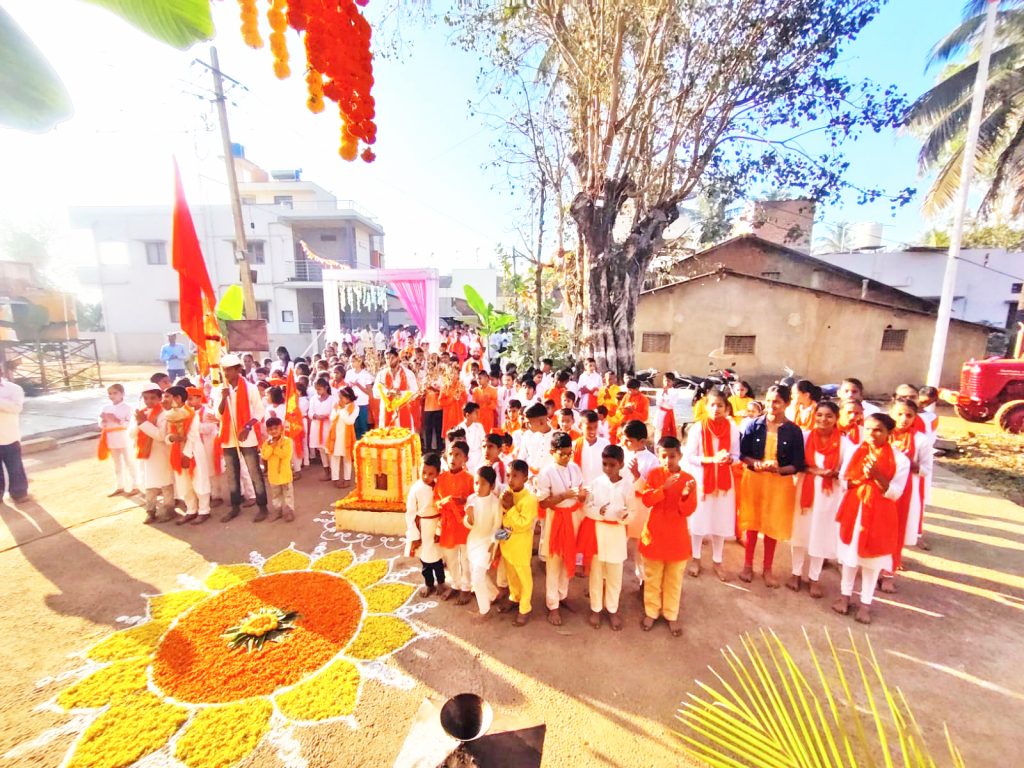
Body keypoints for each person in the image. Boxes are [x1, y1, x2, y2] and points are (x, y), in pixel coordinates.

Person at [833, 413, 910, 624]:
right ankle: (844, 596)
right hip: (854, 508)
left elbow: (895, 493)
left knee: (872, 562)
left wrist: (877, 475)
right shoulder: (854, 452)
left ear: (889, 433)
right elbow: (843, 481)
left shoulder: (900, 460)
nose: (872, 434)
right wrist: (859, 479)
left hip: (880, 515)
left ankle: (866, 603)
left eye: (878, 430)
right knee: (850, 558)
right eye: (868, 429)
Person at [738, 384, 805, 587]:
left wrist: (779, 469)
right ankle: (747, 565)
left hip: (779, 484)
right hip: (754, 480)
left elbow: (798, 463)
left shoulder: (794, 431)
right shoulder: (753, 425)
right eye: (768, 401)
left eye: (776, 401)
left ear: (786, 403)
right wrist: (754, 463)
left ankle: (768, 569)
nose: (771, 405)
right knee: (752, 523)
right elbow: (742, 454)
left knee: (771, 526)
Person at [788, 401, 853, 597]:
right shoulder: (805, 437)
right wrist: (815, 470)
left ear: (836, 418)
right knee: (800, 533)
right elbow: (796, 463)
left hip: (828, 495)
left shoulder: (844, 443)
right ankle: (796, 573)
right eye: (819, 415)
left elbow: (848, 472)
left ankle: (814, 578)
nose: (823, 420)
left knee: (820, 536)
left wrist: (833, 474)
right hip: (804, 490)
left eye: (829, 416)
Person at [638, 436, 697, 636]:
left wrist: (686, 495)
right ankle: (651, 612)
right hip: (654, 534)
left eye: (672, 456)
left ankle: (671, 614)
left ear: (680, 456)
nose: (668, 460)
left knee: (674, 579)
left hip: (677, 537)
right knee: (653, 577)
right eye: (664, 456)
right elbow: (646, 500)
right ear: (658, 455)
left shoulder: (689, 479)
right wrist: (663, 489)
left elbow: (688, 510)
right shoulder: (654, 475)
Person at [578, 444, 634, 630]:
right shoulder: (596, 483)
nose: (608, 468)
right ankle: (595, 608)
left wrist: (625, 516)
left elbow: (633, 511)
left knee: (614, 576)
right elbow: (587, 507)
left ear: (621, 464)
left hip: (617, 535)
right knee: (596, 574)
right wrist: (598, 512)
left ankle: (612, 609)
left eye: (612, 465)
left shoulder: (627, 486)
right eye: (605, 464)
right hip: (598, 533)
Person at [684, 389, 739, 581]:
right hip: (702, 480)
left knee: (720, 521)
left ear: (726, 408)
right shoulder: (698, 428)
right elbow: (690, 457)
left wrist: (730, 460)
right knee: (699, 520)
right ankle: (696, 558)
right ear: (706, 407)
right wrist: (711, 459)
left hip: (724, 482)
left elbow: (737, 455)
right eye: (713, 405)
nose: (716, 409)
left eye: (720, 405)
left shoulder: (732, 428)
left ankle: (717, 561)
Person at [534, 431, 587, 626]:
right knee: (554, 562)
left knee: (568, 558)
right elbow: (543, 503)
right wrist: (564, 496)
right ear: (552, 452)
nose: (566, 457)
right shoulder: (546, 473)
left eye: (569, 453)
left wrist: (581, 495)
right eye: (562, 454)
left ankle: (562, 595)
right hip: (555, 519)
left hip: (572, 517)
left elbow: (581, 491)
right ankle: (552, 605)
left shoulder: (574, 468)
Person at [882, 397, 933, 591]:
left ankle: (888, 573)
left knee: (897, 531)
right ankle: (872, 569)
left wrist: (911, 464)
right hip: (881, 488)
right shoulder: (882, 434)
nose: (903, 419)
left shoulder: (920, 440)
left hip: (905, 492)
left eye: (909, 415)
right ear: (891, 414)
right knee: (879, 528)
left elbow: (927, 470)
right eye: (899, 414)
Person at [217, 353, 270, 523]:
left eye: (229, 370)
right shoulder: (221, 389)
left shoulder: (251, 388)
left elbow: (259, 411)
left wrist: (248, 426)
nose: (226, 374)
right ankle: (234, 507)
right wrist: (224, 398)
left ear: (238, 370)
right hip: (228, 436)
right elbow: (219, 413)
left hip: (246, 434)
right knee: (232, 473)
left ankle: (262, 507)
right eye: (224, 371)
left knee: (254, 471)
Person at [496, 460, 539, 625]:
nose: (510, 479)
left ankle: (525, 608)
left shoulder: (529, 499)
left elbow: (523, 524)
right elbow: (502, 519)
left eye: (515, 476)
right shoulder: (507, 493)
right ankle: (514, 597)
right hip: (506, 542)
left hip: (521, 544)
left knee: (523, 577)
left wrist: (511, 507)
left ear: (525, 478)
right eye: (508, 475)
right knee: (511, 574)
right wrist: (498, 540)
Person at [164, 386, 212, 525]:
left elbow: (193, 436)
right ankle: (191, 510)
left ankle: (204, 510)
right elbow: (167, 434)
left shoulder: (191, 414)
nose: (165, 400)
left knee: (199, 480)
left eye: (168, 397)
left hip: (193, 451)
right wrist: (171, 438)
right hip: (176, 451)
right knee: (183, 483)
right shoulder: (169, 414)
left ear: (178, 398)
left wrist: (186, 455)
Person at [436, 441, 475, 605]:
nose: (453, 457)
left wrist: (462, 501)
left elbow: (475, 500)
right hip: (447, 523)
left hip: (464, 524)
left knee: (465, 557)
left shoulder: (471, 479)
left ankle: (466, 587)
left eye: (458, 454)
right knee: (450, 557)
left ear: (465, 458)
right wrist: (443, 503)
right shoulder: (441, 478)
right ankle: (456, 584)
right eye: (451, 454)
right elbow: (435, 500)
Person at [405, 452, 447, 597]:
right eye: (423, 472)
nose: (426, 477)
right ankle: (429, 584)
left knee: (437, 558)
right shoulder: (415, 489)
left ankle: (441, 582)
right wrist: (414, 535)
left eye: (431, 474)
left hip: (436, 525)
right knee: (425, 560)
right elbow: (410, 513)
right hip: (422, 527)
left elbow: (444, 510)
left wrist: (440, 531)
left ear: (437, 473)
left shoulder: (441, 487)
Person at [464, 466, 502, 617]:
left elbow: (498, 526)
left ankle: (483, 610)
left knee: (477, 577)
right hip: (473, 541)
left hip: (487, 544)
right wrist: (469, 517)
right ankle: (493, 594)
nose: (478, 487)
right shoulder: (471, 499)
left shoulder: (495, 503)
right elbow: (467, 523)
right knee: (475, 571)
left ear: (492, 486)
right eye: (476, 483)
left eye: (483, 484)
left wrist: (494, 544)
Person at [133, 388, 174, 523]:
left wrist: (143, 423)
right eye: (145, 398)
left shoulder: (164, 414)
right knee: (149, 483)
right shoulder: (143, 412)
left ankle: (169, 510)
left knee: (165, 483)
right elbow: (132, 434)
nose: (148, 401)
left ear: (159, 398)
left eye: (152, 398)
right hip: (147, 453)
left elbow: (161, 436)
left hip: (161, 453)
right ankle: (150, 511)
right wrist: (139, 422)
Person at [98, 383, 138, 496]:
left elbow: (130, 424)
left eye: (115, 393)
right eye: (110, 393)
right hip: (111, 438)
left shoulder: (128, 408)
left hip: (124, 437)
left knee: (129, 462)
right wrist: (103, 421)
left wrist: (116, 420)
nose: (112, 395)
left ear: (122, 394)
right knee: (117, 464)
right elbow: (100, 424)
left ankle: (135, 485)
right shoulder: (105, 408)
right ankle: (120, 485)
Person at [0, 361, 27, 503]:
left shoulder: (14, 389)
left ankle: (19, 492)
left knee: (15, 466)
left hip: (8, 436)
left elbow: (16, 408)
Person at [260, 417, 296, 522]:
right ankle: (278, 511)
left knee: (288, 494)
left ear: (281, 428)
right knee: (276, 495)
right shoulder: (267, 443)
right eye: (270, 429)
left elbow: (285, 454)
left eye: (276, 428)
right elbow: (265, 456)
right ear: (267, 431)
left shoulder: (287, 441)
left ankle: (289, 511)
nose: (274, 431)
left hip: (285, 474)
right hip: (273, 475)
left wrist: (274, 447)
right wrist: (272, 447)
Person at [375, 348, 418, 428]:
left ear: (398, 358)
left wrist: (401, 393)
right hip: (386, 411)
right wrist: (388, 392)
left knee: (404, 436)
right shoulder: (381, 374)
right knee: (387, 437)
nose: (389, 360)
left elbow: (415, 391)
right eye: (387, 358)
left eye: (392, 358)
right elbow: (375, 392)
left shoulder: (408, 373)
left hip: (403, 409)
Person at [326, 387, 359, 489]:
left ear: (348, 398)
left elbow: (350, 421)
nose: (339, 399)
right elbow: (332, 418)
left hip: (347, 436)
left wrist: (343, 409)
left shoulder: (355, 407)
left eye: (342, 397)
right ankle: (335, 478)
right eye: (339, 397)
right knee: (335, 457)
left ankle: (347, 479)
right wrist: (338, 409)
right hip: (335, 436)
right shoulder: (336, 405)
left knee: (347, 458)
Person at [307, 378, 336, 478]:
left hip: (328, 426)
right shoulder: (314, 399)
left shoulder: (333, 399)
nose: (318, 391)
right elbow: (310, 412)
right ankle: (326, 470)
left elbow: (334, 412)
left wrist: (327, 417)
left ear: (326, 388)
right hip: (316, 425)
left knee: (329, 449)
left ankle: (334, 472)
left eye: (319, 389)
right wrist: (315, 416)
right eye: (316, 389)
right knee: (321, 449)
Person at [573, 410, 609, 485]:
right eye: (589, 428)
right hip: (582, 491)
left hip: (601, 489)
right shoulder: (574, 445)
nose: (593, 431)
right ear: (580, 426)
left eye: (595, 427)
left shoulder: (605, 444)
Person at [344, 355, 374, 439]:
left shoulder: (365, 374)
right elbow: (346, 388)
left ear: (359, 362)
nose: (352, 363)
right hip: (352, 404)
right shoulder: (349, 373)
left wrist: (358, 385)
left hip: (362, 404)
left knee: (363, 427)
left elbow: (369, 392)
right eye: (351, 361)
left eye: (353, 361)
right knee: (354, 427)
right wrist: (350, 386)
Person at [457, 402, 485, 472]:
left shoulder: (479, 426)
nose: (478, 415)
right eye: (476, 413)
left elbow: (484, 443)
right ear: (467, 415)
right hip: (465, 460)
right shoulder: (459, 428)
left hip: (479, 459)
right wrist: (463, 464)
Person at [655, 373, 679, 441]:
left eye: (669, 381)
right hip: (660, 413)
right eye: (665, 380)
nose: (667, 382)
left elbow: (671, 404)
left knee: (668, 432)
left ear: (672, 382)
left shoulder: (675, 392)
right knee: (658, 432)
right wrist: (663, 394)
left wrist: (666, 395)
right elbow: (658, 403)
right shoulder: (659, 391)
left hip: (668, 413)